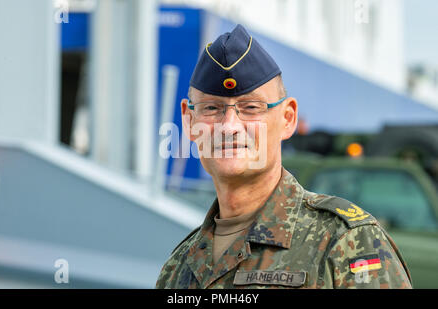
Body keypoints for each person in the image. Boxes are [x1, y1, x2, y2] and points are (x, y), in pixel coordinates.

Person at [155, 24, 412, 289]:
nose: (229, 126)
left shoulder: (346, 244)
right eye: (212, 108)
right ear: (188, 121)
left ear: (288, 119)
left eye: (251, 107)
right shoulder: (179, 265)